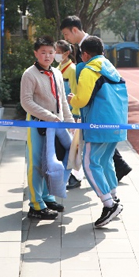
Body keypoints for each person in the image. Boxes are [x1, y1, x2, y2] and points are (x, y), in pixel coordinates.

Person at [60, 15, 132, 181]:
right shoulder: (88, 47)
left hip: (94, 108)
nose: (66, 38)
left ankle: (105, 188)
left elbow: (93, 84)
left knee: (93, 157)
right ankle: (114, 178)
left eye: (66, 34)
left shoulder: (91, 49)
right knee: (103, 154)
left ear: (75, 30)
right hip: (94, 108)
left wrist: (76, 104)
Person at [69, 35, 128, 228]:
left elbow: (82, 100)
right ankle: (114, 196)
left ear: (85, 54)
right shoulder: (109, 67)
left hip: (98, 124)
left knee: (89, 163)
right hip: (117, 123)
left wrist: (72, 100)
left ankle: (109, 205)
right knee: (105, 161)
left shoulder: (89, 70)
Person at [20, 36, 75, 220]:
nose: (47, 56)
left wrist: (69, 121)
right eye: (43, 52)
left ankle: (47, 197)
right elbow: (26, 102)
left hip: (56, 126)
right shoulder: (29, 74)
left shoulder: (57, 73)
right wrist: (49, 116)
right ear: (36, 53)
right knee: (36, 164)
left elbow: (62, 100)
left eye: (51, 52)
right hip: (38, 125)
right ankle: (36, 205)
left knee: (51, 162)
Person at [56, 39, 83, 189]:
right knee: (66, 147)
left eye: (58, 52)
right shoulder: (58, 68)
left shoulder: (72, 70)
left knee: (73, 148)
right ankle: (67, 175)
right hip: (61, 114)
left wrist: (74, 115)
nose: (55, 55)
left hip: (71, 114)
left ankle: (76, 177)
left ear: (66, 53)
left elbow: (75, 92)